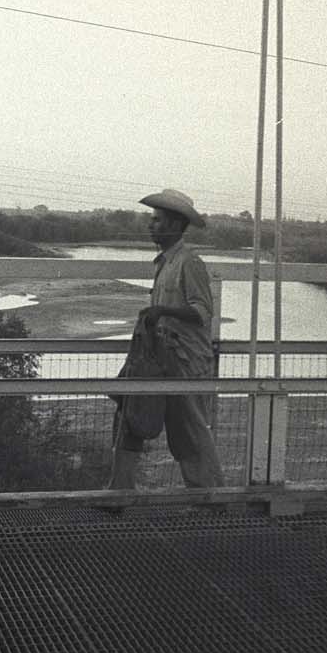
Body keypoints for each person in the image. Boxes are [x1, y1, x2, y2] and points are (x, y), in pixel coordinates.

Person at [106, 189, 224, 489]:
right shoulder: (164, 263)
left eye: (157, 220)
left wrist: (161, 310)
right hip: (159, 358)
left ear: (174, 225)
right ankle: (120, 489)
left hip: (185, 362)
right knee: (130, 417)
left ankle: (211, 498)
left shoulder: (189, 263)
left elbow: (202, 311)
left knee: (189, 434)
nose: (151, 225)